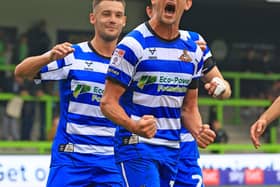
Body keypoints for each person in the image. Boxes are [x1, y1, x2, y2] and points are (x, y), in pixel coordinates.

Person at [100, 0, 216, 186]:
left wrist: (198, 131)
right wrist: (133, 125)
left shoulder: (194, 50)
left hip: (171, 148)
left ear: (187, 4)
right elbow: (107, 103)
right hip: (137, 146)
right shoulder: (132, 44)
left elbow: (188, 108)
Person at [14, 0, 126, 186]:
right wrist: (48, 56)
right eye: (106, 14)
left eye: (117, 15)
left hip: (112, 161)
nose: (112, 20)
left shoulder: (129, 62)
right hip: (71, 159)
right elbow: (21, 72)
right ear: (93, 18)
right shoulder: (73, 55)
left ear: (124, 21)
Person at [145, 3, 231, 187]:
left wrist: (220, 87)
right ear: (150, 10)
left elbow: (225, 88)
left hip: (184, 142)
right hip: (147, 144)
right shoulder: (136, 45)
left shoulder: (193, 44)